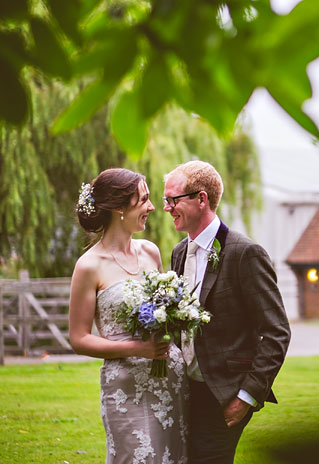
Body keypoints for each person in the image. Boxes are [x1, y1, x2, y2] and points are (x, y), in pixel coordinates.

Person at [163, 160, 291, 463]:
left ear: (201, 199)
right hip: (186, 391)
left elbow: (277, 332)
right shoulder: (179, 252)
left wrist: (245, 396)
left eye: (173, 199)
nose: (166, 207)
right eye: (165, 200)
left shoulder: (245, 253)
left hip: (224, 393)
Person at [69, 168, 188, 464]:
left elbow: (166, 311)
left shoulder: (150, 252)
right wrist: (139, 349)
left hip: (170, 380)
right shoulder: (89, 266)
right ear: (120, 208)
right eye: (144, 200)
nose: (151, 207)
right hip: (125, 387)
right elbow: (79, 339)